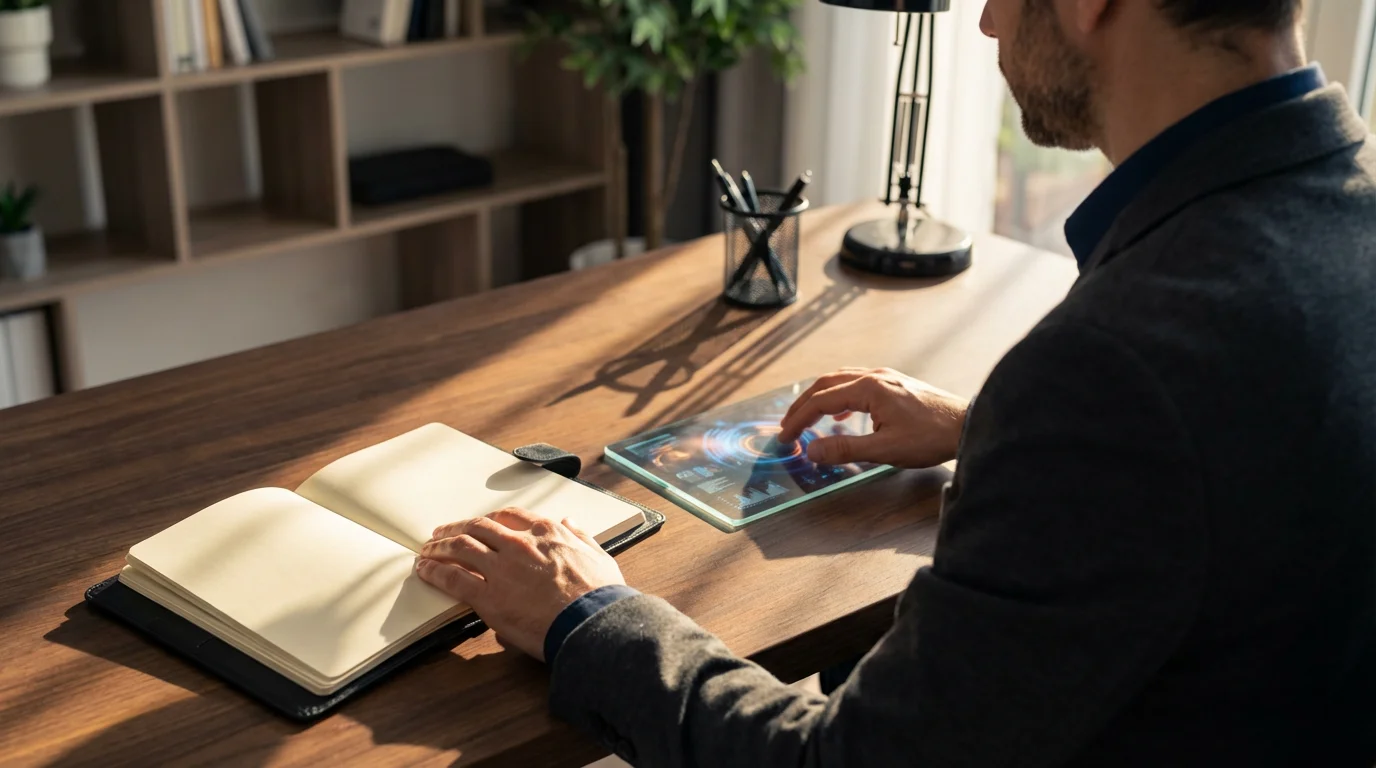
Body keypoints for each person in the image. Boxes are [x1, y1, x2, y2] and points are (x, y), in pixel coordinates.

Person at [417, 0, 1376, 763]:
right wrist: (983, 426)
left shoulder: (1111, 369)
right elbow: (1268, 430)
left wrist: (589, 615)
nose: (988, 21)